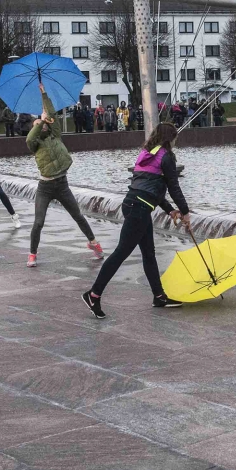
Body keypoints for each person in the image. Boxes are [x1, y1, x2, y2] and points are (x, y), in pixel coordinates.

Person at [82, 123, 191, 319]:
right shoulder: (166, 156)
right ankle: (93, 295)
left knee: (149, 253)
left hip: (134, 204)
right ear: (170, 138)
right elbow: (173, 187)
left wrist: (170, 210)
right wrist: (185, 212)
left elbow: (150, 187)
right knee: (121, 253)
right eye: (175, 138)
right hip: (139, 209)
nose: (175, 142)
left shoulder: (147, 153)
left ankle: (159, 297)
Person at [26, 86, 102, 267]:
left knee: (78, 216)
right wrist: (38, 123)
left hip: (62, 184)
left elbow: (52, 114)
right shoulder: (35, 144)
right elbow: (29, 139)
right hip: (45, 188)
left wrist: (44, 94)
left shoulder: (55, 135)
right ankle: (32, 254)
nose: (42, 125)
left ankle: (93, 242)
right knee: (38, 222)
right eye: (37, 125)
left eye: (44, 124)